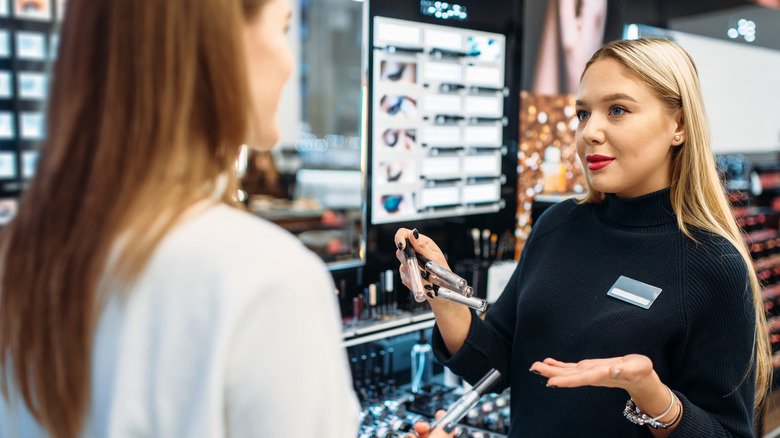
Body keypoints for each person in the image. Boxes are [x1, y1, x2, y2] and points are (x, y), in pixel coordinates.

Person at [0, 0, 359, 437]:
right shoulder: (267, 280)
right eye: (283, 28)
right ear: (223, 44)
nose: (288, 63)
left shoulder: (20, 257)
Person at [396, 38, 771, 437]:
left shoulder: (713, 264)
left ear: (678, 125)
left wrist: (652, 395)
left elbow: (727, 432)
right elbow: (495, 365)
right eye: (583, 113)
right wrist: (442, 294)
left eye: (617, 110)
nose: (590, 132)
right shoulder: (557, 225)